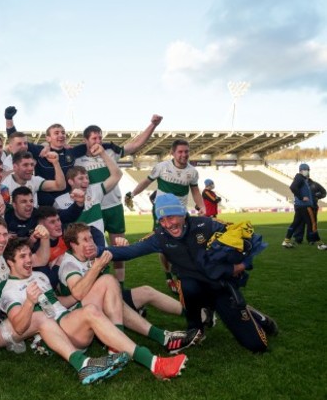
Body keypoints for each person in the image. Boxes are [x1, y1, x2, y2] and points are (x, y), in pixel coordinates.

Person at [0, 218, 121, 400]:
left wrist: (46, 238)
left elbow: (39, 258)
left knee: (39, 317)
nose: (1, 239)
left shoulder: (7, 261)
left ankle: (83, 365)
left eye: (4, 235)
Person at [109, 194, 279, 353]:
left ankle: (255, 315)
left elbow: (249, 239)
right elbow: (129, 252)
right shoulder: (160, 236)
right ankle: (195, 327)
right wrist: (92, 251)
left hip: (220, 287)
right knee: (187, 285)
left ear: (182, 214)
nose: (167, 224)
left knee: (257, 346)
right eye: (162, 219)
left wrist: (242, 265)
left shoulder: (207, 224)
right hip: (193, 290)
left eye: (171, 217)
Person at [2, 239, 188, 381]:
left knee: (108, 282)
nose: (28, 260)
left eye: (29, 255)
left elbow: (57, 302)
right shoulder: (9, 289)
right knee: (91, 310)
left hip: (67, 319)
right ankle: (153, 362)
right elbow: (18, 326)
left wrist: (76, 298)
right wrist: (28, 302)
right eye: (22, 257)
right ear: (10, 262)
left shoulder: (39, 275)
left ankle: (116, 345)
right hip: (59, 332)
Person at [57, 223, 198, 354]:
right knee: (112, 290)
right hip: (82, 314)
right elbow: (78, 293)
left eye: (91, 238)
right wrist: (97, 267)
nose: (91, 243)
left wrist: (121, 247)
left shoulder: (89, 254)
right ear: (74, 245)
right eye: (85, 240)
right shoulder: (69, 264)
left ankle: (196, 314)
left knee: (146, 291)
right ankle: (159, 338)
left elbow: (119, 254)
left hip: (102, 301)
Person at [74, 117, 162, 288]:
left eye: (100, 138)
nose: (98, 141)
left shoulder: (111, 152)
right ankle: (94, 285)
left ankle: (120, 287)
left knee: (119, 248)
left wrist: (153, 125)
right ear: (85, 140)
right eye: (94, 138)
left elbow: (136, 144)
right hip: (92, 210)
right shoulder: (78, 160)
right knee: (91, 249)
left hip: (113, 206)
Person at [125, 139, 205, 293]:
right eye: (180, 151)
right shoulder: (162, 167)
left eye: (186, 151)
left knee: (187, 243)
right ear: (172, 153)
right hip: (162, 213)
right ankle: (169, 276)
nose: (184, 155)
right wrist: (132, 194)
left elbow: (195, 191)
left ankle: (185, 273)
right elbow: (146, 182)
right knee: (164, 246)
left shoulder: (192, 172)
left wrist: (201, 206)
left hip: (181, 212)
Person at [283, 163, 327, 250]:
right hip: (305, 206)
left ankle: (286, 241)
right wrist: (302, 197)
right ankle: (320, 244)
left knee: (295, 224)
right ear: (302, 170)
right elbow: (292, 187)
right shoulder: (300, 178)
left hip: (300, 206)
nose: (308, 171)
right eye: (307, 170)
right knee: (312, 223)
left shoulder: (301, 179)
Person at [293, 175, 326, 244]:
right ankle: (298, 239)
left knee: (312, 223)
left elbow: (324, 192)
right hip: (301, 206)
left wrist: (316, 196)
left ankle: (311, 239)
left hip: (312, 206)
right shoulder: (299, 185)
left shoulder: (315, 184)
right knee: (300, 223)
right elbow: (295, 193)